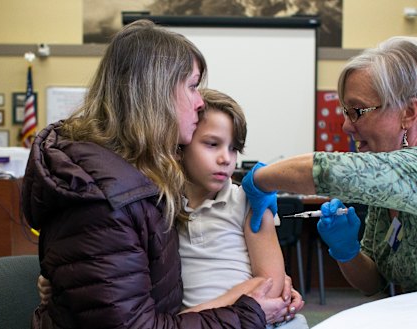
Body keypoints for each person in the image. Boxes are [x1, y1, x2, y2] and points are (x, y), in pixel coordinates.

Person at [22, 19, 293, 329]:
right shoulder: (106, 201)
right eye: (192, 86)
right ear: (156, 94)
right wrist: (250, 312)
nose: (200, 101)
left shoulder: (141, 180)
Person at [241, 36, 417, 296]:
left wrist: (260, 179)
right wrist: (346, 250)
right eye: (345, 112)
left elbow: (330, 171)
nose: (348, 125)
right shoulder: (390, 189)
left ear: (409, 112)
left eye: (357, 111)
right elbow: (374, 283)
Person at [176, 89, 307, 328]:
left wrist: (196, 314)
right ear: (182, 144)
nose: (226, 158)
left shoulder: (248, 202)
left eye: (234, 148)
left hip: (253, 320)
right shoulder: (164, 205)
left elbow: (272, 283)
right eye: (212, 144)